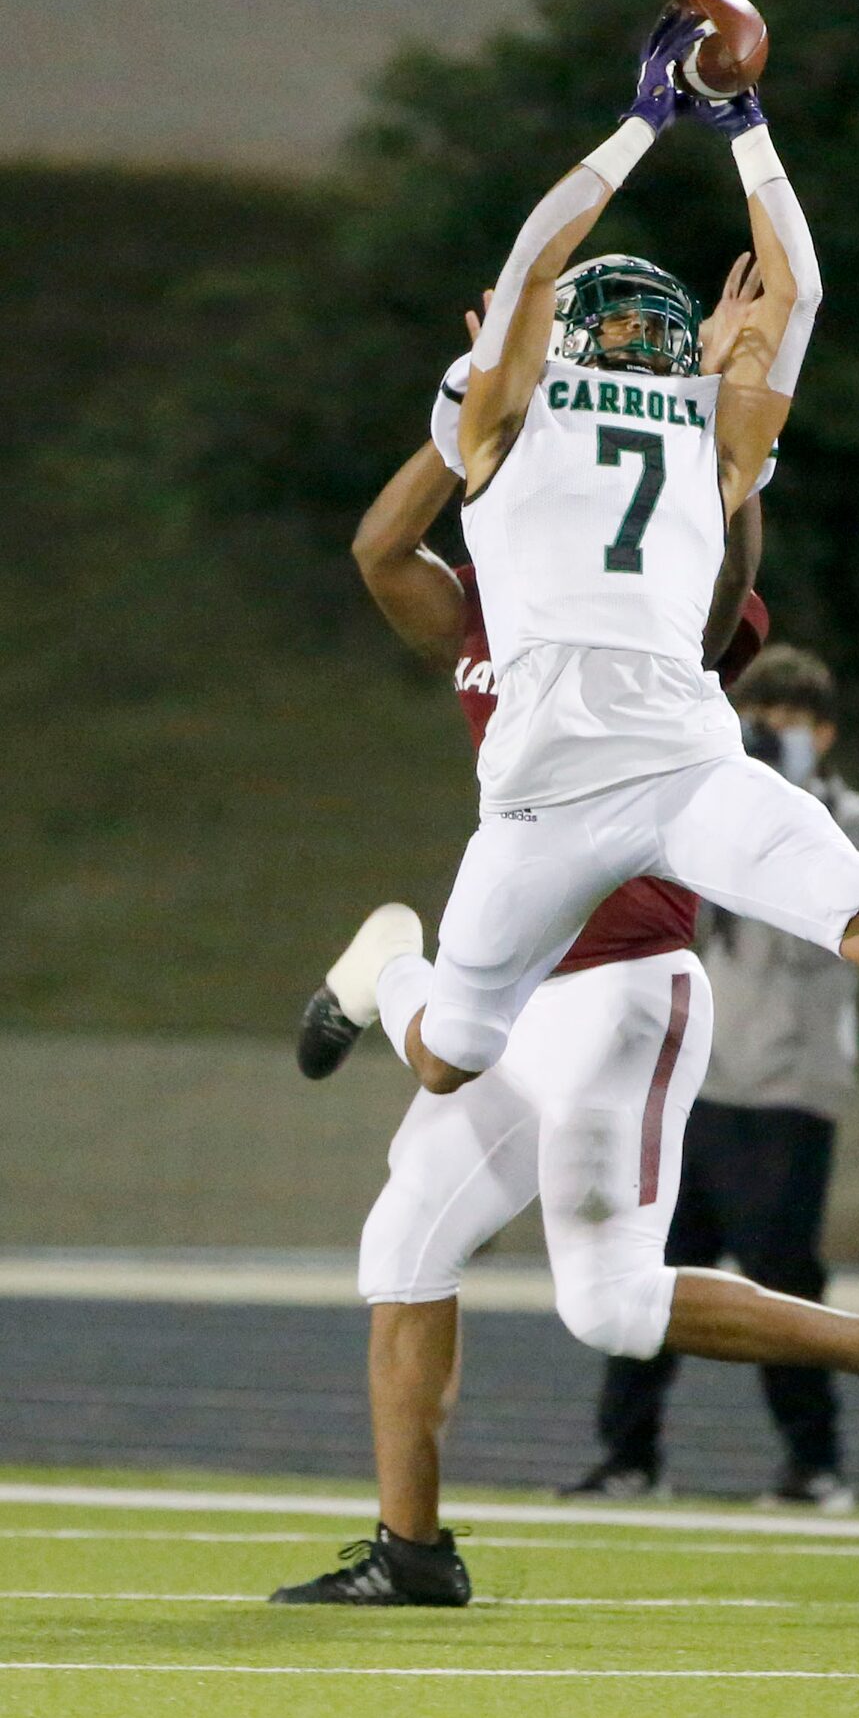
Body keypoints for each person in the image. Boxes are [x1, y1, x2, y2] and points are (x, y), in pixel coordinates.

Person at [296, 6, 859, 1532]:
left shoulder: (505, 408)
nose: (650, 340)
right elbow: (799, 283)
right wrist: (742, 133)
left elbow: (529, 261)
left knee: (845, 926)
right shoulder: (691, 427)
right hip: (615, 786)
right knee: (510, 1034)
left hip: (609, 780)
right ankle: (391, 970)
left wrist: (648, 122)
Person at [273, 270, 770, 1606]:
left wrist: (721, 437)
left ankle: (386, 967)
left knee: (606, 1293)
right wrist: (471, 411)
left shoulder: (652, 585)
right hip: (515, 971)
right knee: (402, 1238)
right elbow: (381, 551)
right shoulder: (490, 598)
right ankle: (412, 1552)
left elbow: (721, 601)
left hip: (616, 965)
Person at [567, 645, 859, 1511]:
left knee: (784, 1276)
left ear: (824, 733)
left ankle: (813, 1465)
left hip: (789, 1091)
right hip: (704, 1083)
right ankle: (630, 1457)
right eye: (758, 719)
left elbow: (802, 926)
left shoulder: (850, 820)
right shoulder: (710, 808)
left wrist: (774, 803)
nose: (769, 735)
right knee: (656, 1265)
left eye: (787, 723)